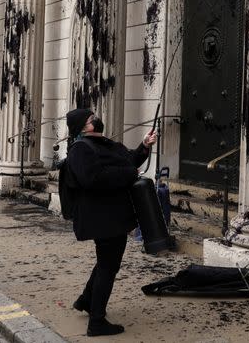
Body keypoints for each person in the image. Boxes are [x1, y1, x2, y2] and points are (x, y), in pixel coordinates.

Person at [64, 108, 156, 337]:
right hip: (101, 218)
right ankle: (97, 322)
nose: (96, 118)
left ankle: (86, 300)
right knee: (108, 265)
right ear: (84, 127)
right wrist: (128, 174)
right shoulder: (80, 149)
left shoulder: (106, 144)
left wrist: (144, 145)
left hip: (113, 216)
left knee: (106, 262)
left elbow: (130, 161)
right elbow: (93, 179)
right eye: (90, 117)